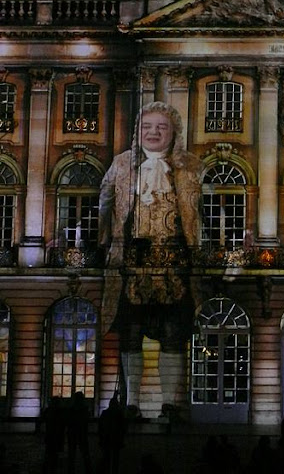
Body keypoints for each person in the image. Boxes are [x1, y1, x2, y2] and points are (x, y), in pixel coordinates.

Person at [99, 101, 203, 413]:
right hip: (131, 265)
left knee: (173, 334)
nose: (153, 132)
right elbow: (104, 201)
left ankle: (169, 402)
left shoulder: (192, 166)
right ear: (137, 131)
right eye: (147, 126)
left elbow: (204, 213)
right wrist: (103, 238)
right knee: (130, 334)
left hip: (175, 263)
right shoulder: (122, 164)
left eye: (162, 126)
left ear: (175, 132)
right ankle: (131, 402)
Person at [98, 394, 126, 474]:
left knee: (106, 459)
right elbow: (123, 428)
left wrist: (101, 438)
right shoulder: (119, 414)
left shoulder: (105, 413)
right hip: (116, 439)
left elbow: (100, 427)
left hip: (106, 439)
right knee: (115, 460)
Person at [66, 392, 92, 474]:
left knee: (72, 455)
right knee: (85, 454)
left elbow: (68, 421)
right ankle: (88, 470)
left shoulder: (71, 410)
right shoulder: (85, 409)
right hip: (82, 434)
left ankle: (71, 470)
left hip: (73, 434)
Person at [41, 396, 66, 474]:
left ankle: (46, 468)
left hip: (50, 434)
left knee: (48, 453)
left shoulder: (49, 410)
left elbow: (42, 418)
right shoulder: (61, 411)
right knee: (54, 454)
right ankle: (52, 468)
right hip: (58, 435)